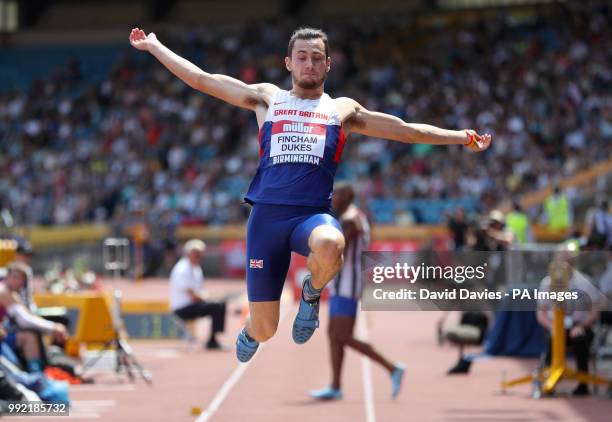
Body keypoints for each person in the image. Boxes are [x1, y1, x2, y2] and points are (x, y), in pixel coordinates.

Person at [129, 26, 492, 362]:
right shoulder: (267, 99)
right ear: (289, 62)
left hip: (310, 217)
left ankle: (312, 293)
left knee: (333, 243)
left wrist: (460, 136)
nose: (309, 63)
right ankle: (252, 330)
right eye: (302, 56)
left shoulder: (341, 110)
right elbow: (201, 80)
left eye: (317, 57)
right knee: (266, 329)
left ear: (328, 65)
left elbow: (406, 131)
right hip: (267, 221)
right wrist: (155, 46)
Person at [310, 183, 404, 400]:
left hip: (347, 284)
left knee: (343, 336)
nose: (332, 198)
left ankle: (392, 368)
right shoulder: (353, 217)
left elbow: (335, 250)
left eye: (337, 195)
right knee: (333, 336)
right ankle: (335, 386)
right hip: (341, 283)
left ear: (347, 197)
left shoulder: (351, 220)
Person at [536, 247, 603, 396]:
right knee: (552, 339)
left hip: (579, 326)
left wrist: (581, 326)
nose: (563, 264)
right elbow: (541, 313)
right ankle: (548, 380)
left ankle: (583, 383)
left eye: (567, 260)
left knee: (580, 339)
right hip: (555, 325)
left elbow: (595, 311)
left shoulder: (585, 283)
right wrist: (551, 326)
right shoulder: (547, 283)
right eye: (560, 260)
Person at [0, 262, 68, 372]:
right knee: (29, 336)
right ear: (7, 277)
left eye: (20, 279)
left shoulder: (13, 294)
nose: (17, 281)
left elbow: (28, 315)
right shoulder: (3, 292)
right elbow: (24, 321)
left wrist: (52, 328)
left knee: (35, 333)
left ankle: (41, 370)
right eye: (14, 277)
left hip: (3, 334)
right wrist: (53, 328)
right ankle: (36, 374)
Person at [169, 239, 227, 350]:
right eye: (196, 254)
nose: (199, 257)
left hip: (191, 304)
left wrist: (209, 297)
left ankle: (213, 339)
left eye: (200, 254)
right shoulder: (182, 269)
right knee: (217, 306)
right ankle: (212, 341)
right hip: (182, 307)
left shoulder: (195, 268)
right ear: (188, 253)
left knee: (219, 304)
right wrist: (208, 298)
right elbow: (193, 295)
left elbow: (199, 292)